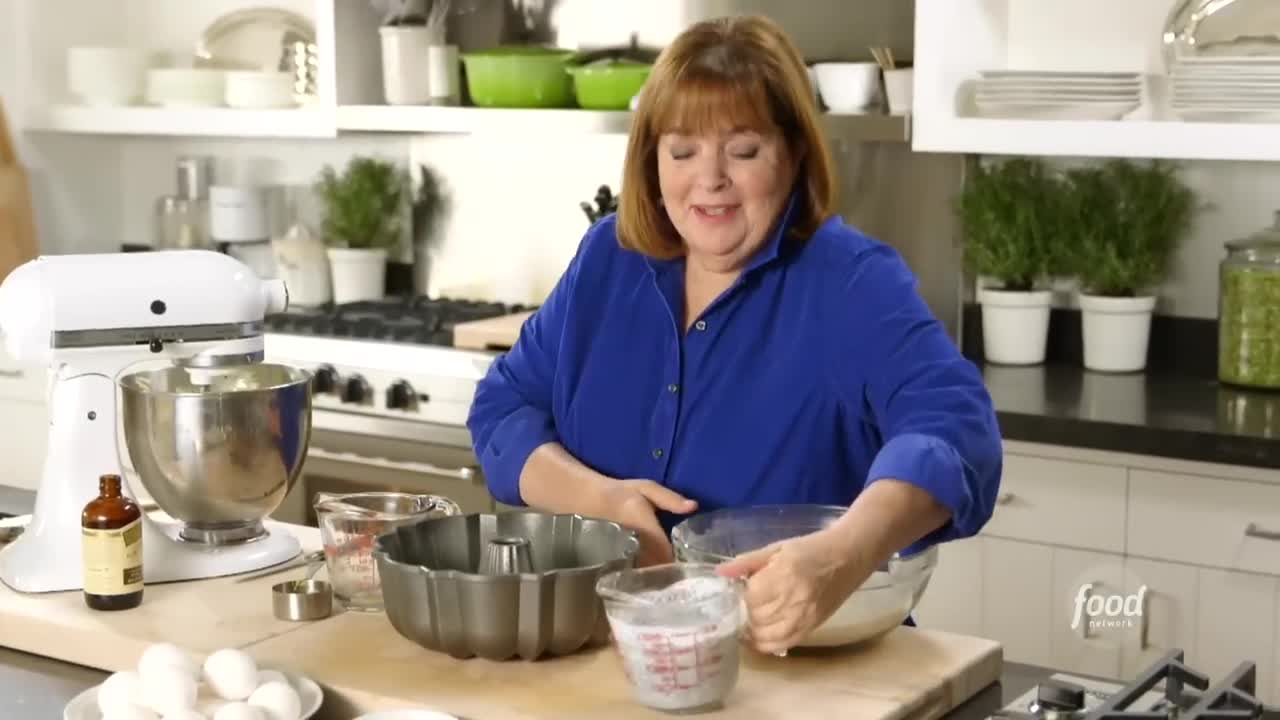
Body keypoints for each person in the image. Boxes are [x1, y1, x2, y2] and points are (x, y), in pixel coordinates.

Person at [466, 15, 1003, 655]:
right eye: (682, 150)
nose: (710, 179)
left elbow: (957, 435)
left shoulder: (850, 283)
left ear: (794, 152)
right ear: (651, 157)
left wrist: (844, 553)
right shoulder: (608, 260)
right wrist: (599, 499)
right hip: (616, 665)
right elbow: (501, 408)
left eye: (743, 150)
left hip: (808, 676)